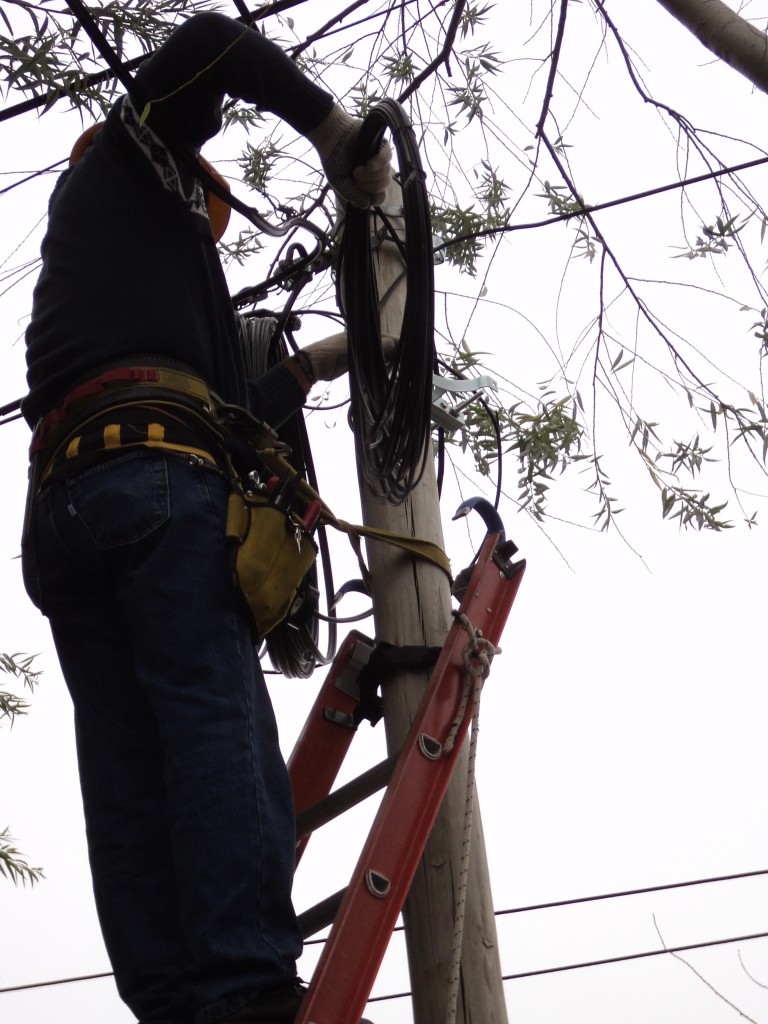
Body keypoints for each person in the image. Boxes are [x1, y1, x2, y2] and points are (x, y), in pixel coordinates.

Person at [20, 12, 390, 1024]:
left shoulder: (118, 285)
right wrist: (328, 128)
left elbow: (235, 412)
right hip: (153, 488)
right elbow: (208, 42)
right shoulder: (122, 167)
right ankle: (247, 987)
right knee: (210, 719)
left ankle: (180, 1003)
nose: (208, 225)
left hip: (71, 506)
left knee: (130, 765)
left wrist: (314, 363)